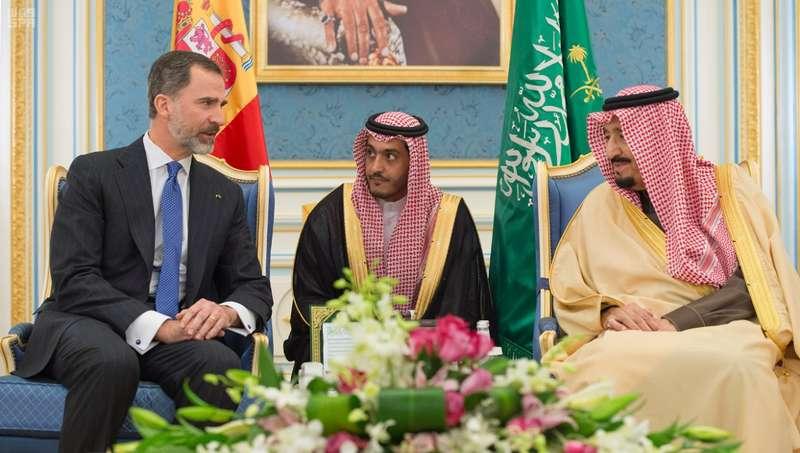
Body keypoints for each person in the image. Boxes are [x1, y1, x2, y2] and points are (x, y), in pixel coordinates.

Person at [14, 51, 273, 453]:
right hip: (90, 321)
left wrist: (224, 312)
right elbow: (75, 277)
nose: (220, 117)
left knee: (218, 366)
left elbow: (253, 287)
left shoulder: (222, 193)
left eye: (221, 104)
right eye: (207, 103)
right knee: (111, 361)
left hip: (178, 331)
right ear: (164, 104)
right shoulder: (95, 173)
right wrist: (155, 324)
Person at [549, 85, 800, 452]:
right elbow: (570, 284)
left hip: (723, 327)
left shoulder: (729, 189)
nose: (612, 150)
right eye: (608, 136)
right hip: (634, 335)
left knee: (740, 368)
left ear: (659, 138)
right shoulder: (600, 204)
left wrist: (677, 322)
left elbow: (758, 281)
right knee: (601, 367)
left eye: (624, 136)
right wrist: (607, 311)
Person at [284, 111, 493, 372]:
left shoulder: (449, 218)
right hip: (349, 365)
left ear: (414, 162)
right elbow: (313, 305)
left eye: (390, 156)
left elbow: (463, 307)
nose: (375, 167)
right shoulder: (332, 215)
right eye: (370, 153)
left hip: (426, 367)